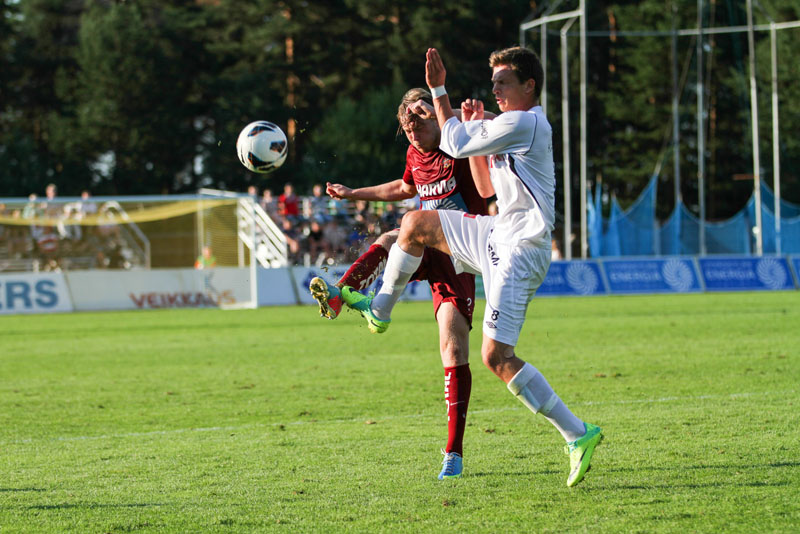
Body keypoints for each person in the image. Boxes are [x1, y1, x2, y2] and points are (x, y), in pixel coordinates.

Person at [337, 47, 603, 487]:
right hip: (497, 232)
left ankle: (577, 434)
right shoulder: (506, 125)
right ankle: (379, 308)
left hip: (521, 251)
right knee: (415, 223)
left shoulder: (528, 122)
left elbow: (455, 141)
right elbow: (482, 183)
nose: (495, 89)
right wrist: (463, 118)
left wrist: (439, 89)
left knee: (495, 357)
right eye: (493, 81)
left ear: (529, 86)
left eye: (503, 82)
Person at [309, 87, 489, 480]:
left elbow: (489, 118)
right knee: (395, 236)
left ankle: (453, 453)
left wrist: (440, 109)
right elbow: (403, 189)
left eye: (419, 122)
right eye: (406, 127)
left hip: (464, 253)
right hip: (426, 243)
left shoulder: (458, 137)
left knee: (453, 346)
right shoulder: (413, 153)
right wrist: (353, 192)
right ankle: (342, 294)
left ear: (432, 116)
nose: (413, 132)